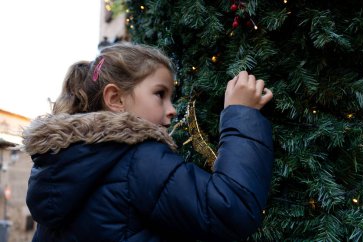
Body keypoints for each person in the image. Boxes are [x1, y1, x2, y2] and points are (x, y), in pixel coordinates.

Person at [22, 42, 274, 242]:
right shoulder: (138, 158)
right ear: (116, 99)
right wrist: (241, 113)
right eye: (160, 94)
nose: (172, 109)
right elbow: (230, 210)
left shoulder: (60, 165)